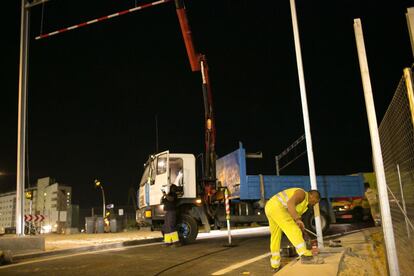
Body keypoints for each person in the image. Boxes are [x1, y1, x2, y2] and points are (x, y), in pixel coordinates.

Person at [265, 187, 322, 272]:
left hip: (270, 207)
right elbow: (290, 204)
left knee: (275, 236)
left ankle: (275, 264)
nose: (314, 204)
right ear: (311, 195)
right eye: (315, 201)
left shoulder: (304, 205)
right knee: (293, 230)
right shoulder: (302, 194)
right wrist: (297, 220)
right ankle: (305, 255)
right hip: (277, 207)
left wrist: (302, 229)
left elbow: (293, 214)